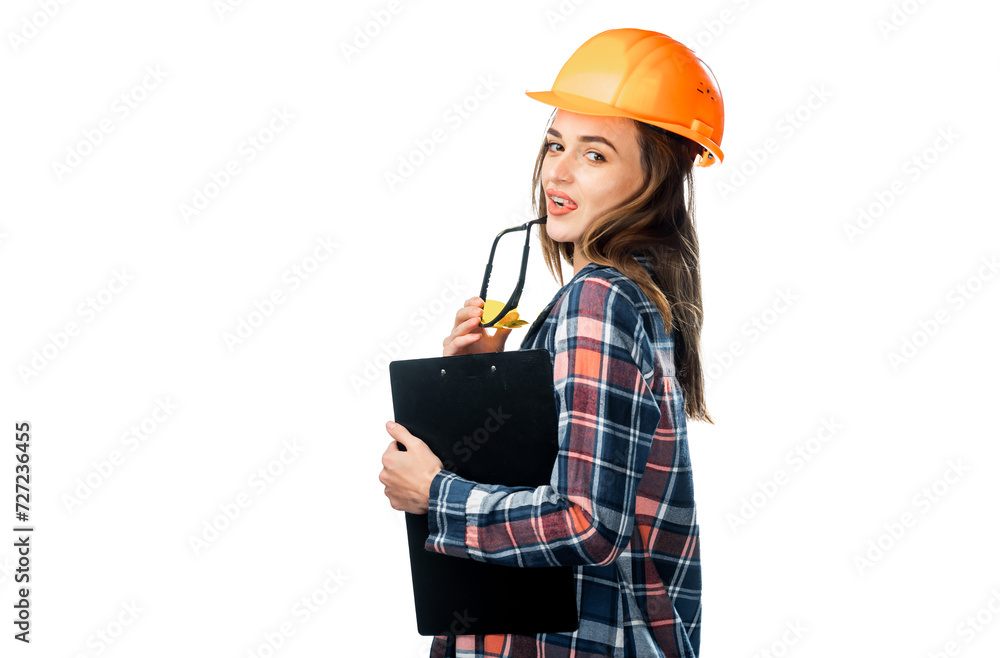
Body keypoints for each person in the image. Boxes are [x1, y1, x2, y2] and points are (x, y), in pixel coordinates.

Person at [380, 28, 724, 658]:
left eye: (596, 155)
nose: (557, 172)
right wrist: (490, 391)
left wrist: (436, 495)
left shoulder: (601, 300)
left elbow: (587, 526)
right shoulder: (633, 300)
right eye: (555, 144)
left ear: (655, 179)